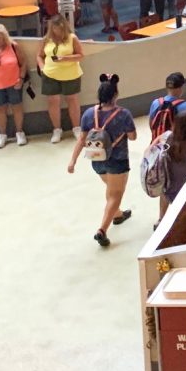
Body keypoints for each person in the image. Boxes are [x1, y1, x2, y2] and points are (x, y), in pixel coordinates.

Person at [67, 74, 137, 248]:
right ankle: (102, 230)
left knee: (111, 189)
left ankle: (118, 215)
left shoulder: (89, 114)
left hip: (97, 159)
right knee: (115, 194)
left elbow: (82, 139)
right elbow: (133, 137)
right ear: (116, 94)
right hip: (118, 160)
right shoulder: (123, 114)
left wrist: (73, 161)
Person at [38, 15, 83, 143]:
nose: (57, 31)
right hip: (50, 74)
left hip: (70, 74)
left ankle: (76, 128)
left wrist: (65, 59)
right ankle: (57, 130)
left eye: (59, 28)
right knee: (53, 101)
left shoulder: (72, 38)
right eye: (54, 28)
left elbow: (80, 55)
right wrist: (42, 68)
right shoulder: (46, 40)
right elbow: (39, 56)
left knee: (72, 99)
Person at [0, 24, 29, 148]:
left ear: (5, 35)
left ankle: (20, 133)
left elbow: (23, 63)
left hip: (14, 83)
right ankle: (2, 135)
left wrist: (21, 78)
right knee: (0, 109)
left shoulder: (14, 46)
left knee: (17, 107)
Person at [149, 71, 186, 139]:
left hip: (160, 145)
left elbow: (151, 125)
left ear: (167, 87)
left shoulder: (156, 103)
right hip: (180, 146)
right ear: (181, 87)